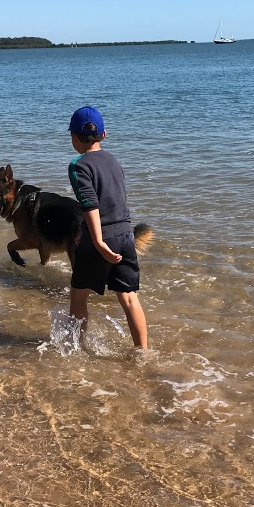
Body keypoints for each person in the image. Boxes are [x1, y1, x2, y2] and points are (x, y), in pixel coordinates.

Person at [66, 105, 149, 350]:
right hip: (125, 234)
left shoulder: (78, 165)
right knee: (129, 298)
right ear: (104, 135)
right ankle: (142, 352)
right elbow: (116, 198)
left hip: (99, 238)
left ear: (72, 137)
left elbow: (90, 203)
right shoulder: (113, 160)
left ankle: (76, 348)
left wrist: (99, 242)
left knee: (79, 294)